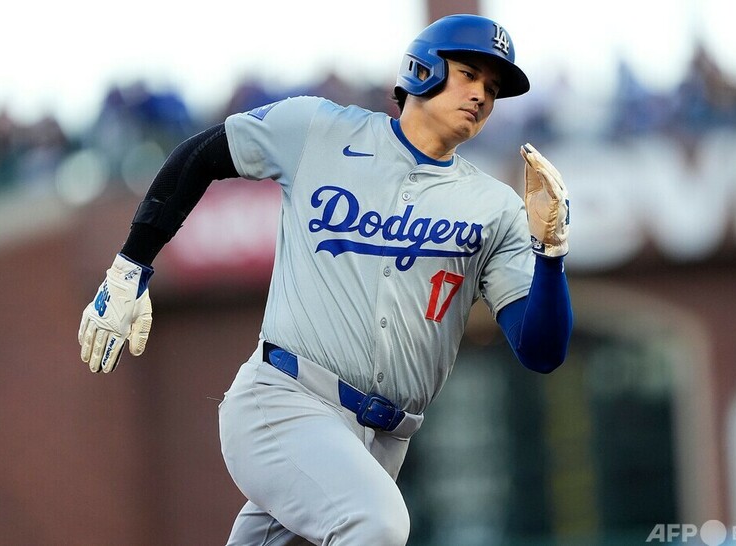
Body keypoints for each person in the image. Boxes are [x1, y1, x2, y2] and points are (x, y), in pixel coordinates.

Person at [77, 13, 572, 546]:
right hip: (285, 402)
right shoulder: (320, 129)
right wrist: (131, 266)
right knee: (376, 524)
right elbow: (201, 155)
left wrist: (550, 253)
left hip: (381, 443)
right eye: (469, 74)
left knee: (361, 519)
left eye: (492, 88)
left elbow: (540, 351)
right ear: (422, 68)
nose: (481, 95)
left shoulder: (494, 206)